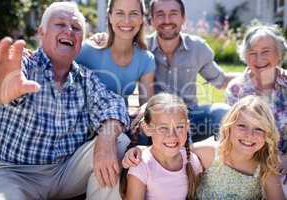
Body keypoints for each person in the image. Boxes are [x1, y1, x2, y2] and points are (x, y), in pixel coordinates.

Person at [0, 2, 130, 200]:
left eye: (76, 28)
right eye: (60, 24)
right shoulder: (25, 66)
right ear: (42, 32)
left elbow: (113, 104)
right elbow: (10, 81)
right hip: (14, 173)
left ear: (81, 40)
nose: (69, 31)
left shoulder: (85, 78)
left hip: (65, 173)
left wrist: (106, 140)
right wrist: (2, 88)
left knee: (118, 141)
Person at [92, 0, 236, 142]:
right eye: (160, 14)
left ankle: (226, 158)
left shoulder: (198, 48)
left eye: (173, 14)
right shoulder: (140, 50)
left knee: (221, 111)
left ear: (183, 18)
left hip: (191, 117)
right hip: (155, 118)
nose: (167, 20)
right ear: (152, 20)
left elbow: (221, 80)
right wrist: (103, 38)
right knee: (141, 129)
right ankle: (146, 161)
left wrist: (252, 73)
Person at [123, 95, 286, 199]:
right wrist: (140, 151)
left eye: (258, 129)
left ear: (267, 135)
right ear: (228, 127)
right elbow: (170, 150)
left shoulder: (265, 171)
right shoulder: (210, 153)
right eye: (242, 126)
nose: (249, 135)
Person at [226, 25, 287, 194]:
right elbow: (231, 135)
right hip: (247, 166)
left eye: (266, 51)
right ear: (245, 57)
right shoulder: (236, 89)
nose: (259, 58)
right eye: (252, 53)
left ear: (279, 53)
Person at [76, 0, 155, 107]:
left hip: (121, 121)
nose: (127, 20)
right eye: (120, 13)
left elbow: (146, 106)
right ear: (110, 17)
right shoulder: (86, 51)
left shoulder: (145, 59)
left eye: (134, 13)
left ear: (141, 18)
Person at [123, 93, 202, 200]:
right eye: (163, 128)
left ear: (187, 126)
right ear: (147, 129)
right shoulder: (142, 166)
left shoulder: (192, 161)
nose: (172, 135)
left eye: (179, 127)